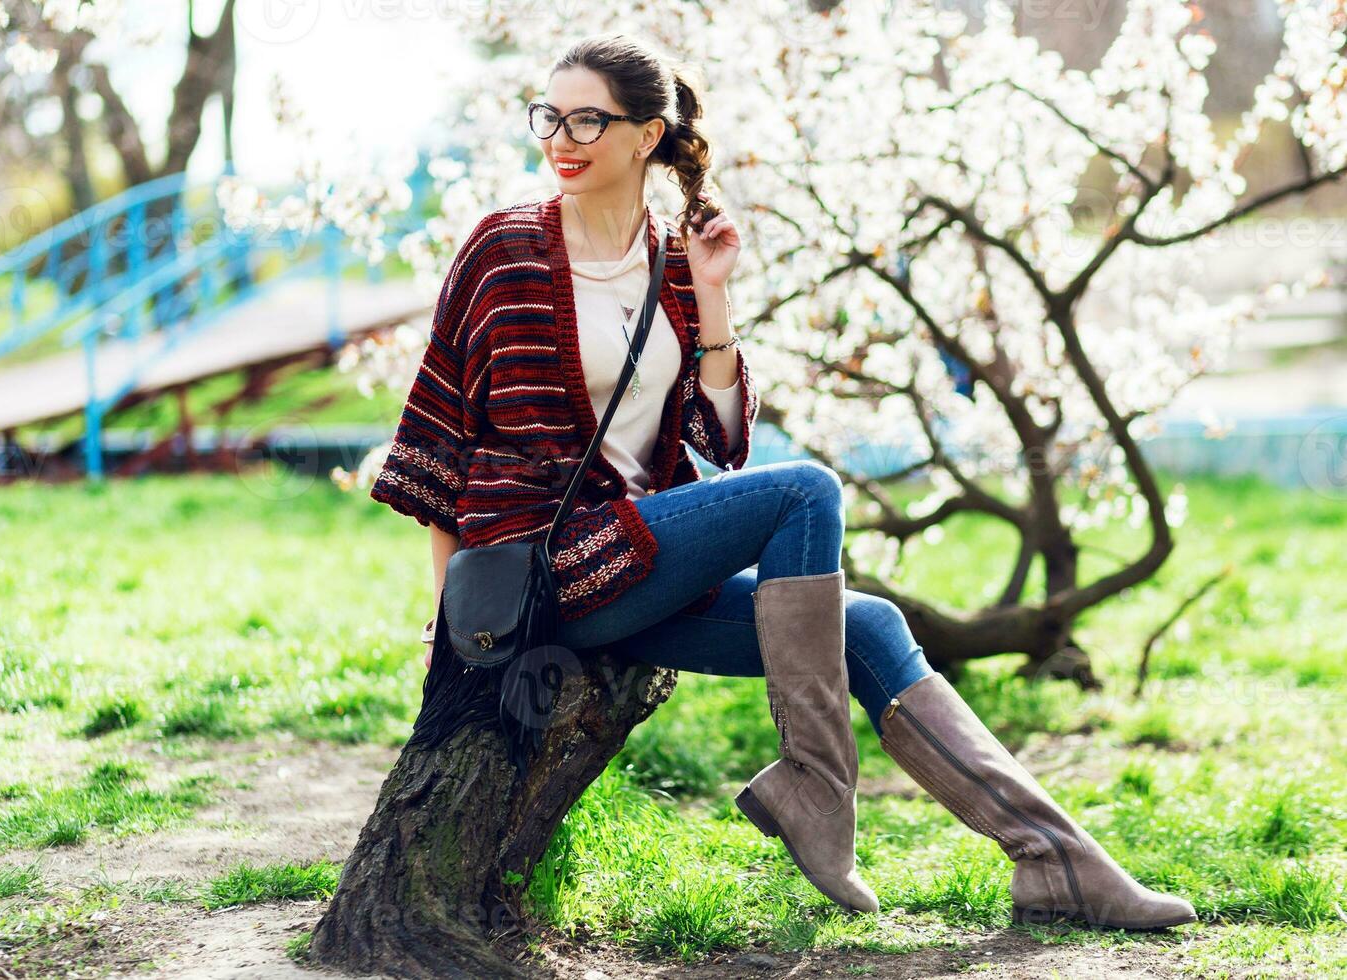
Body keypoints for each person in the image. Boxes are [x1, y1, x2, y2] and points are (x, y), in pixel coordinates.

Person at [370, 31, 1196, 931]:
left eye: (587, 120)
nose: (561, 139)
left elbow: (718, 443)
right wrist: (454, 615)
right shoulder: (505, 249)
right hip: (547, 574)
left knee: (873, 625)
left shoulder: (672, 260)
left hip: (638, 559)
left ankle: (1056, 862)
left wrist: (713, 297)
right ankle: (815, 781)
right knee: (805, 491)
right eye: (549, 117)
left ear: (647, 136)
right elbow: (436, 441)